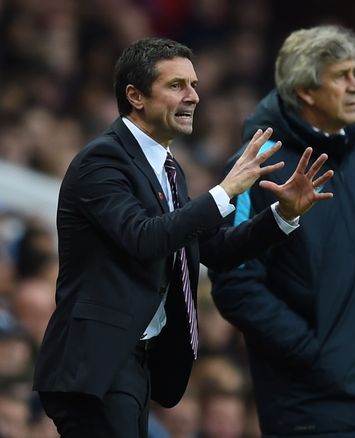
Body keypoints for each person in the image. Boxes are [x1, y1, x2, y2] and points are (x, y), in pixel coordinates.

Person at [32, 37, 334, 438]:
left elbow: (212, 249)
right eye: (177, 85)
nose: (193, 96)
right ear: (135, 96)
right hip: (95, 365)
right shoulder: (101, 161)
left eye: (193, 85)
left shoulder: (169, 170)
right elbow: (143, 238)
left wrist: (282, 215)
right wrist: (225, 191)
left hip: (133, 364)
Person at [209, 25, 355, 437]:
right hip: (312, 413)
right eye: (341, 76)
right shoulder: (257, 166)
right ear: (307, 91)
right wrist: (317, 351)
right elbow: (235, 283)